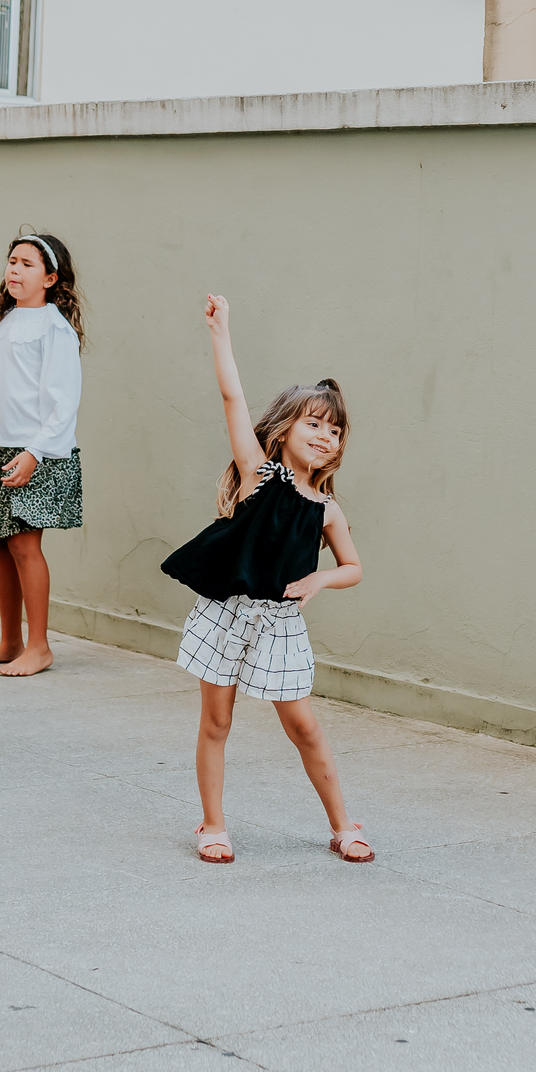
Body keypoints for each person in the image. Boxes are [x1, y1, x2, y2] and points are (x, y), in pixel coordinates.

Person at [161, 294, 373, 865]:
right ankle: (213, 825)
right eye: (314, 423)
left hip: (280, 625)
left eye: (336, 430)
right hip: (226, 613)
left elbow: (353, 568)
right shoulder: (261, 476)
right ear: (284, 431)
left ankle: (342, 824)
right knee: (217, 721)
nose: (325, 435)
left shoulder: (326, 510)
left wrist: (318, 582)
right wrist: (220, 331)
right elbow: (232, 395)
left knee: (304, 727)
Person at [0, 232, 83, 678]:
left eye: (26, 264)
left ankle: (39, 646)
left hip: (39, 451)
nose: (14, 270)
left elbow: (64, 401)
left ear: (50, 277)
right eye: (11, 261)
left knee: (25, 545)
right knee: (1, 547)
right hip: (5, 449)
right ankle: (10, 640)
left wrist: (35, 453)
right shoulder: (3, 324)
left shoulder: (54, 328)